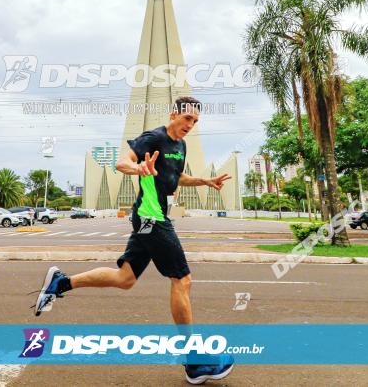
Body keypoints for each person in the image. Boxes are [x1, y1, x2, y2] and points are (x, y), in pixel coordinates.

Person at [33, 96, 235, 384]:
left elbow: (175, 177)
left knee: (125, 278)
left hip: (148, 219)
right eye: (187, 118)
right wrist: (138, 168)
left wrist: (203, 181)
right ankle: (193, 362)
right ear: (174, 114)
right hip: (152, 218)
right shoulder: (154, 137)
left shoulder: (181, 145)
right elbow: (121, 162)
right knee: (182, 279)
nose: (191, 125)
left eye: (195, 121)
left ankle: (61, 283)